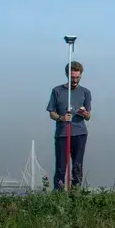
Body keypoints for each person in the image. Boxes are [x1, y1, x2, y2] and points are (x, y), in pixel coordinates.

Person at [46, 61, 92, 190]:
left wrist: (84, 113)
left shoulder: (85, 92)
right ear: (67, 75)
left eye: (78, 77)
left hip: (80, 134)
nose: (75, 80)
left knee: (77, 166)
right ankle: (59, 195)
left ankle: (76, 194)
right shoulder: (57, 91)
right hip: (63, 134)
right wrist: (61, 118)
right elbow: (51, 113)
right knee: (61, 167)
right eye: (73, 77)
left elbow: (88, 117)